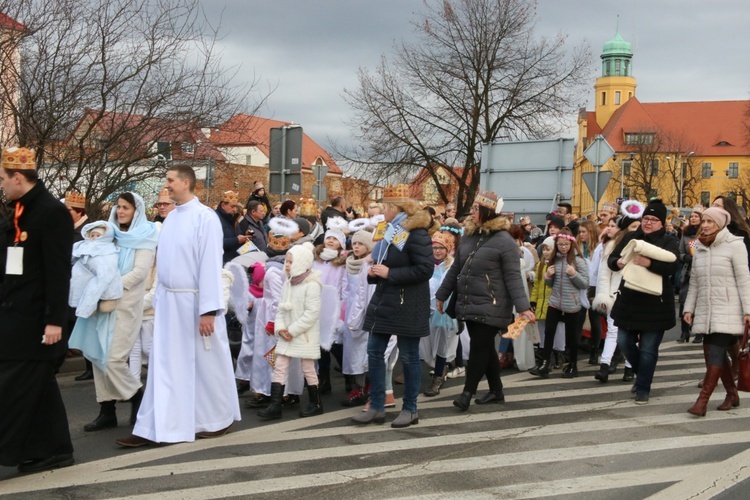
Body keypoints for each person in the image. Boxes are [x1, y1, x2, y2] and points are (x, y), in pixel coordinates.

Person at [116, 165, 240, 447]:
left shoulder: (204, 218)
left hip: (195, 302)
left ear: (186, 183)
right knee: (165, 365)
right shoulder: (171, 219)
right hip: (171, 303)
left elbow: (210, 264)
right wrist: (159, 300)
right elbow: (165, 265)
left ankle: (216, 419)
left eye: (170, 181)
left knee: (206, 365)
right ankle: (155, 425)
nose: (167, 185)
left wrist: (208, 310)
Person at [0, 146, 75, 474]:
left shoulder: (49, 211)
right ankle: (53, 449)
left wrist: (54, 320)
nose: (1, 184)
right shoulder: (18, 211)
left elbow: (58, 271)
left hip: (33, 319)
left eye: (3, 179)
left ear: (18, 177)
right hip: (15, 314)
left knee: (11, 387)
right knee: (38, 388)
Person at [436, 189, 535, 409]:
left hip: (493, 304)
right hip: (469, 301)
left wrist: (523, 307)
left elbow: (513, 278)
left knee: (479, 348)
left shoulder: (504, 241)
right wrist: (442, 294)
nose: (471, 211)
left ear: (487, 212)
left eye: (475, 208)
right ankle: (497, 391)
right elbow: (456, 270)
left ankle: (467, 393)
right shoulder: (470, 236)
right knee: (486, 348)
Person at [71, 192, 158, 431]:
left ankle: (136, 395)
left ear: (136, 211)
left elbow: (140, 272)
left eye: (126, 208)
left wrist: (110, 286)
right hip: (103, 304)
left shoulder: (145, 235)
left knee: (113, 359)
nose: (120, 211)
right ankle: (106, 410)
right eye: (119, 207)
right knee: (97, 355)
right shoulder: (109, 235)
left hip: (126, 305)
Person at [352, 184, 433, 428]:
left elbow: (425, 269)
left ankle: (410, 409)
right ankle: (377, 405)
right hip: (386, 300)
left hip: (408, 303)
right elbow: (387, 260)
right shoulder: (394, 230)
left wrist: (389, 273)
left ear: (394, 207)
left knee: (409, 357)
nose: (382, 211)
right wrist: (376, 272)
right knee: (375, 352)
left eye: (384, 206)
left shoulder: (416, 232)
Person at [607, 199, 679, 405]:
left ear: (662, 223)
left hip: (655, 304)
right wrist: (617, 262)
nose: (648, 223)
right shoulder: (631, 236)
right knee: (623, 341)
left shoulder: (668, 240)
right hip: (629, 301)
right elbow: (612, 259)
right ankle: (643, 375)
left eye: (654, 220)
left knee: (648, 350)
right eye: (646, 218)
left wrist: (650, 263)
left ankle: (643, 388)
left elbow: (673, 266)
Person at [683, 207, 750, 417]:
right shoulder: (699, 246)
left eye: (710, 222)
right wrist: (689, 308)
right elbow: (694, 281)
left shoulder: (735, 245)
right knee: (716, 355)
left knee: (716, 353)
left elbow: (744, 279)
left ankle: (702, 401)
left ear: (721, 224)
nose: (705, 225)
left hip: (728, 308)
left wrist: (748, 310)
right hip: (706, 309)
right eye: (703, 221)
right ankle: (732, 394)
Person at [257, 242, 324, 420]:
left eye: (290, 262)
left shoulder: (312, 285)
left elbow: (312, 314)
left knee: (308, 368)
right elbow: (281, 308)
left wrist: (291, 330)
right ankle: (275, 405)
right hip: (286, 333)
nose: (286, 265)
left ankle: (316, 403)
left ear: (302, 262)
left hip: (304, 335)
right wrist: (280, 328)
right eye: (286, 261)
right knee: (279, 366)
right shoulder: (289, 283)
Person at [529, 228, 588, 378]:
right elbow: (549, 284)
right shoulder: (554, 260)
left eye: (566, 244)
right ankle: (544, 364)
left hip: (571, 303)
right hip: (554, 301)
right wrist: (548, 276)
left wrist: (573, 274)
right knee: (549, 332)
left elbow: (585, 284)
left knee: (571, 335)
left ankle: (572, 365)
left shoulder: (578, 261)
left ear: (571, 244)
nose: (563, 247)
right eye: (560, 244)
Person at [422, 231, 459, 396]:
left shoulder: (452, 266)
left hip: (444, 311)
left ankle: (438, 376)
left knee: (442, 343)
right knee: (425, 344)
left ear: (447, 249)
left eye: (441, 248)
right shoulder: (425, 264)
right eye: (434, 248)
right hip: (425, 309)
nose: (437, 251)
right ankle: (438, 368)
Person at [68, 222, 123, 322]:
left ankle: (91, 305)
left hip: (103, 289)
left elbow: (105, 274)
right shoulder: (82, 246)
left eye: (98, 236)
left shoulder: (108, 251)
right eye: (92, 235)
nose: (94, 238)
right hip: (82, 282)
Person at [679, 206, 703, 344]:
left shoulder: (704, 233)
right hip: (688, 270)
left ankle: (699, 332)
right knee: (683, 300)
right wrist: (685, 257)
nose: (693, 218)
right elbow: (680, 251)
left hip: (701, 269)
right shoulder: (685, 233)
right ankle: (684, 331)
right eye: (692, 216)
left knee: (700, 301)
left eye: (696, 216)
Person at [216, 190, 249, 264]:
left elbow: (235, 235)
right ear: (223, 205)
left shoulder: (233, 218)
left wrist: (244, 237)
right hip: (221, 262)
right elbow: (215, 242)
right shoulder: (215, 219)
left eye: (236, 207)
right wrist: (236, 240)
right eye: (232, 206)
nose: (234, 210)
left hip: (233, 260)